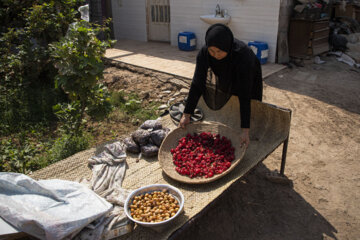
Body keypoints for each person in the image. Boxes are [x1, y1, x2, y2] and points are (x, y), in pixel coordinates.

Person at [179, 23, 263, 148]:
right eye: (212, 51)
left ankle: (247, 131)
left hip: (247, 72)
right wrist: (187, 114)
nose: (216, 55)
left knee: (246, 99)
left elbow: (245, 94)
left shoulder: (243, 55)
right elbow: (197, 84)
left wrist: (245, 130)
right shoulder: (204, 53)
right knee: (228, 95)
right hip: (226, 72)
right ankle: (233, 126)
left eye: (219, 51)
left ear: (227, 47)